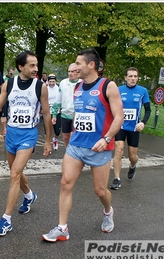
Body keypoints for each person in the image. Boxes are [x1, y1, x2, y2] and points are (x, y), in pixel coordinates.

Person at [42, 48, 124, 242]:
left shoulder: (108, 86)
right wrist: (69, 135)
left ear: (91, 65)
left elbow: (119, 116)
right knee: (65, 183)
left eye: (78, 63)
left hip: (99, 148)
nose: (75, 67)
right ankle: (62, 228)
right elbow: (80, 115)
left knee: (100, 191)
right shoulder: (77, 87)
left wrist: (106, 139)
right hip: (76, 146)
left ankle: (107, 212)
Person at [0, 51, 52, 236]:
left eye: (36, 65)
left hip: (28, 135)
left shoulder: (40, 86)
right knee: (15, 173)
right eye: (32, 65)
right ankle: (29, 195)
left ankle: (6, 220)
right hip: (11, 134)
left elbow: (46, 113)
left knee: (14, 175)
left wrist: (49, 140)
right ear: (21, 67)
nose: (36, 69)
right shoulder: (8, 84)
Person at [109, 67, 151, 190]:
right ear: (125, 78)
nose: (133, 79)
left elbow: (148, 109)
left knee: (132, 156)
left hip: (134, 128)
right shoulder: (119, 90)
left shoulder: (142, 91)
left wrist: (143, 122)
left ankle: (133, 165)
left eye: (135, 76)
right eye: (130, 76)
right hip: (120, 126)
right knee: (119, 150)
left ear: (137, 78)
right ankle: (117, 179)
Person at [51, 63, 81, 148]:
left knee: (74, 136)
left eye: (73, 71)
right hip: (65, 114)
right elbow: (58, 99)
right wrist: (54, 114)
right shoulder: (63, 83)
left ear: (78, 72)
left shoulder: (82, 83)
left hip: (76, 115)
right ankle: (68, 153)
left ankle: (76, 155)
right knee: (65, 137)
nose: (70, 73)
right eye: (69, 71)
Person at [47, 74, 61, 150]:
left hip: (57, 111)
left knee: (57, 131)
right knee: (47, 129)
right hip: (48, 111)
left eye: (53, 81)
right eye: (50, 81)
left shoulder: (58, 88)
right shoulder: (45, 88)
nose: (52, 83)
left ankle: (55, 139)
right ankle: (48, 143)